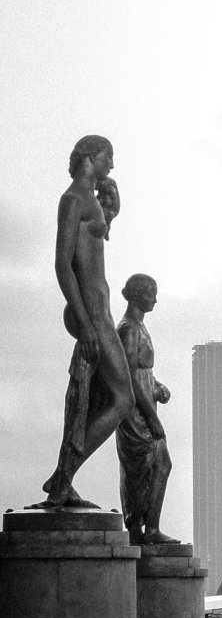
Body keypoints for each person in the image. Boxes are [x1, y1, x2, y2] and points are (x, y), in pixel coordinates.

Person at [40, 136, 137, 508]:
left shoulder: (89, 200)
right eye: (108, 155)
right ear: (90, 156)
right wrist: (85, 322)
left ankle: (63, 477)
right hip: (94, 315)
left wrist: (111, 211)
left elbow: (93, 243)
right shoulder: (73, 199)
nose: (112, 163)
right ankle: (63, 476)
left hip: (100, 312)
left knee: (94, 399)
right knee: (123, 397)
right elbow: (63, 264)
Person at [114, 274, 179, 546]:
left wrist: (158, 386)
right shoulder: (129, 328)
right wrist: (152, 418)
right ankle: (142, 529)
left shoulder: (138, 327)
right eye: (152, 293)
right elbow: (128, 377)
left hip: (143, 406)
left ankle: (147, 529)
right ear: (139, 295)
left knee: (153, 467)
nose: (156, 299)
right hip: (135, 413)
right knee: (146, 468)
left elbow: (142, 373)